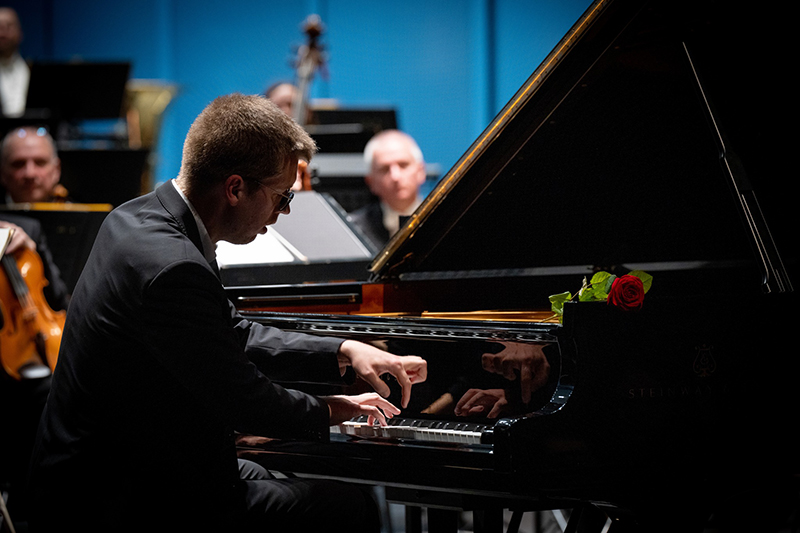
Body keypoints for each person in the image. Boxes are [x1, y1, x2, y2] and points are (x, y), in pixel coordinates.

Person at [25, 93, 427, 532]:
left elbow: (231, 331)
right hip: (114, 498)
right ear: (235, 188)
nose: (285, 210)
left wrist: (346, 350)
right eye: (281, 195)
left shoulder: (138, 216)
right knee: (350, 505)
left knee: (277, 477)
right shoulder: (172, 264)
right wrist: (335, 409)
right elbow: (244, 398)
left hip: (124, 466)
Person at [349, 129, 426, 248]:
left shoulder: (446, 222)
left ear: (421, 172)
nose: (395, 176)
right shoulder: (353, 230)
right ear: (371, 182)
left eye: (403, 165)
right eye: (384, 169)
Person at [1, 126, 68, 203]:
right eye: (18, 164)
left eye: (40, 163)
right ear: (3, 172)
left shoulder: (77, 211)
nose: (30, 174)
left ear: (57, 169)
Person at [0, 7, 27, 118]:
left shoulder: (29, 70)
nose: (3, 33)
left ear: (20, 33)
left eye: (9, 26)